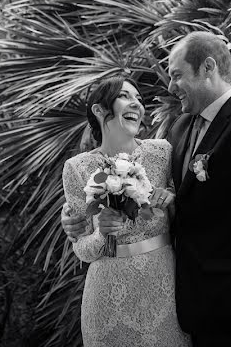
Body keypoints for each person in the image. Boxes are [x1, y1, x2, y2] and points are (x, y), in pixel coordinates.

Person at [62, 31, 231, 346]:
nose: (170, 86)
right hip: (190, 301)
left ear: (208, 67)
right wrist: (78, 224)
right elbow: (181, 195)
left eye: (176, 75)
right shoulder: (181, 127)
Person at [61, 75, 191, 347]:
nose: (137, 104)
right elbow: (81, 248)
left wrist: (173, 196)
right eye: (125, 96)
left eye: (139, 99)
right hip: (107, 292)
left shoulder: (163, 152)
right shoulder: (76, 168)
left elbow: (189, 203)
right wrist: (101, 236)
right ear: (99, 110)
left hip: (163, 285)